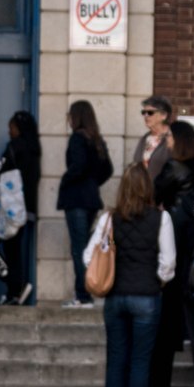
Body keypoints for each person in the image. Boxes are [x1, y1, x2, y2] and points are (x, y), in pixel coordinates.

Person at [85, 163, 176, 387]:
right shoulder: (162, 219)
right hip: (146, 297)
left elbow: (89, 256)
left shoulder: (109, 219)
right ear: (148, 188)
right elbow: (168, 262)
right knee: (140, 360)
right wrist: (157, 280)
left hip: (115, 297)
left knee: (116, 357)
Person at [144, 120, 194, 387]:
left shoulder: (173, 167)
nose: (165, 141)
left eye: (168, 137)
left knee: (164, 336)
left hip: (174, 249)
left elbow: (149, 194)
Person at [0, 111, 41, 304]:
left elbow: (1, 170)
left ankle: (15, 285)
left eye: (11, 127)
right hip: (25, 210)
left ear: (19, 128)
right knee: (14, 251)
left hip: (6, 209)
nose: (9, 131)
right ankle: (15, 291)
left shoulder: (14, 147)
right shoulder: (34, 150)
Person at [58, 100, 114, 308]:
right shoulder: (96, 140)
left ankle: (83, 296)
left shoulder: (78, 139)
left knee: (79, 248)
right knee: (84, 247)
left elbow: (78, 166)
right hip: (91, 199)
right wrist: (92, 182)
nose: (69, 120)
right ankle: (83, 294)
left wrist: (66, 179)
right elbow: (107, 169)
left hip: (77, 200)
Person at [133, 96, 173, 182]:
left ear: (164, 115)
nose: (146, 116)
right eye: (144, 112)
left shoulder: (172, 138)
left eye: (150, 112)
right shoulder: (145, 139)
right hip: (142, 192)